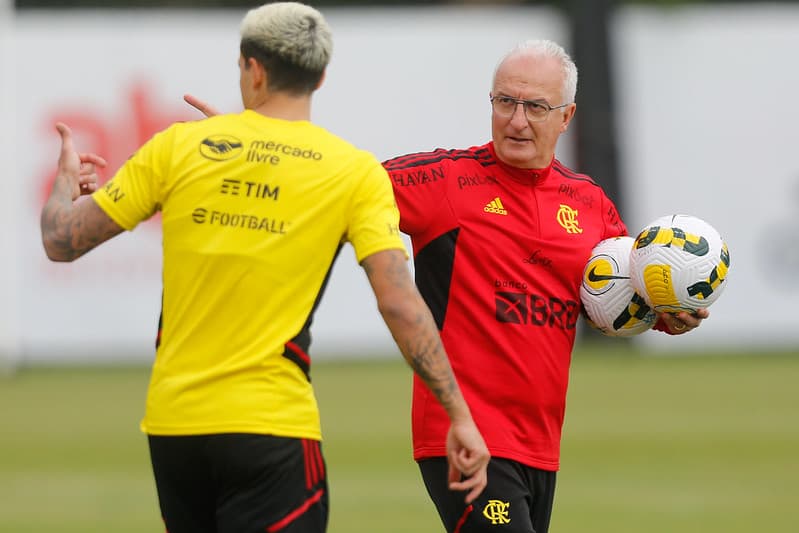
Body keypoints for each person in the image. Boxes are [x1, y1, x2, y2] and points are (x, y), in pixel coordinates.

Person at [184, 38, 707, 533]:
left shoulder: (590, 204)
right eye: (505, 101)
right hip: (463, 434)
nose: (517, 120)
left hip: (540, 443)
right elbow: (344, 184)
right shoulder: (446, 183)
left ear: (566, 116)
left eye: (536, 107)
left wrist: (669, 316)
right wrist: (265, 146)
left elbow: (620, 290)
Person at [39, 3, 489, 533]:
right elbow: (397, 300)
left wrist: (64, 184)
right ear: (321, 75)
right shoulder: (354, 172)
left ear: (252, 68)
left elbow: (60, 240)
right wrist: (457, 412)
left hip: (174, 429)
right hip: (272, 428)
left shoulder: (180, 147)